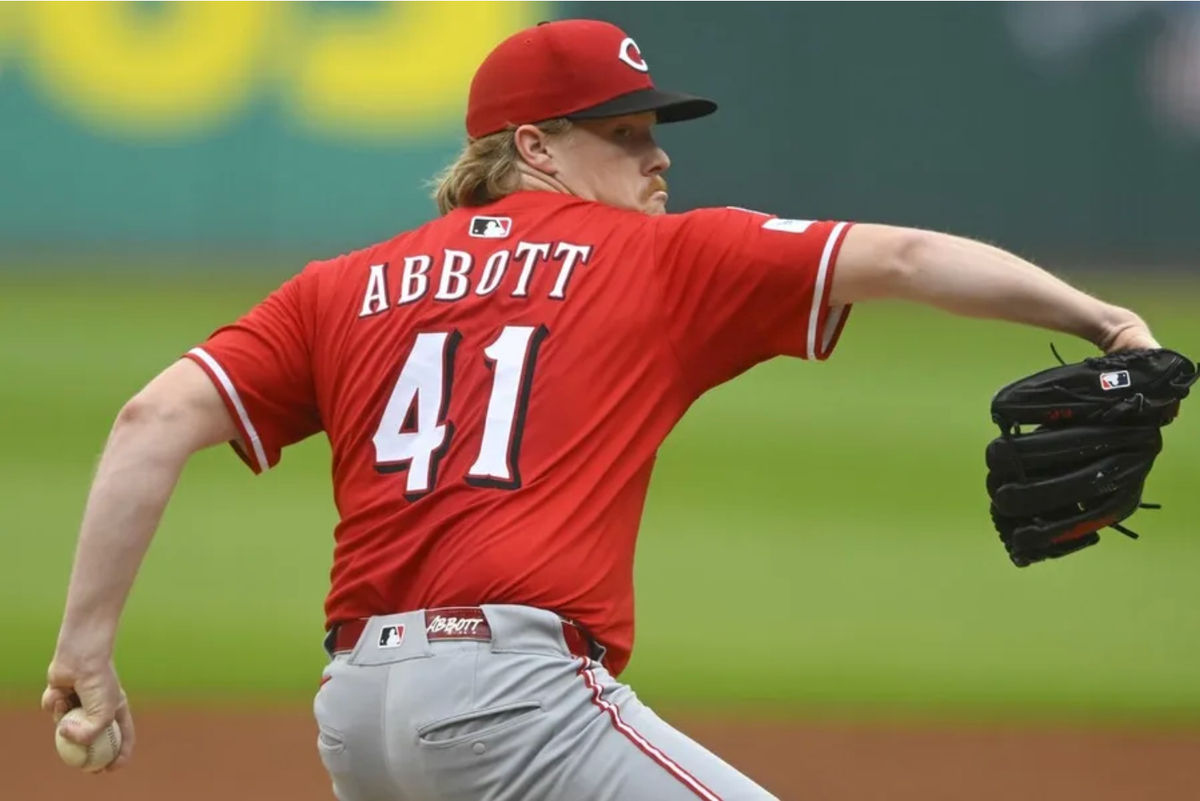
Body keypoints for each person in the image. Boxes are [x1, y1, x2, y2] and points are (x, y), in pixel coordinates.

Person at [43, 18, 1160, 801]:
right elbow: (907, 256)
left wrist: (86, 647)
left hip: (355, 717)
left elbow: (151, 420)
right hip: (514, 701)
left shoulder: (337, 283)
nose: (657, 153)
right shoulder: (657, 258)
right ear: (532, 148)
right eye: (622, 134)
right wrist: (1102, 316)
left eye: (651, 128)